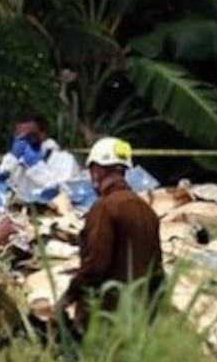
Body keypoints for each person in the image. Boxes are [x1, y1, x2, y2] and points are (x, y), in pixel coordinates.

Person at [57, 137, 164, 334]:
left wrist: (68, 296)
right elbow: (157, 271)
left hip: (106, 318)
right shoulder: (148, 212)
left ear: (97, 170)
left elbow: (96, 264)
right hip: (137, 319)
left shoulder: (105, 209)